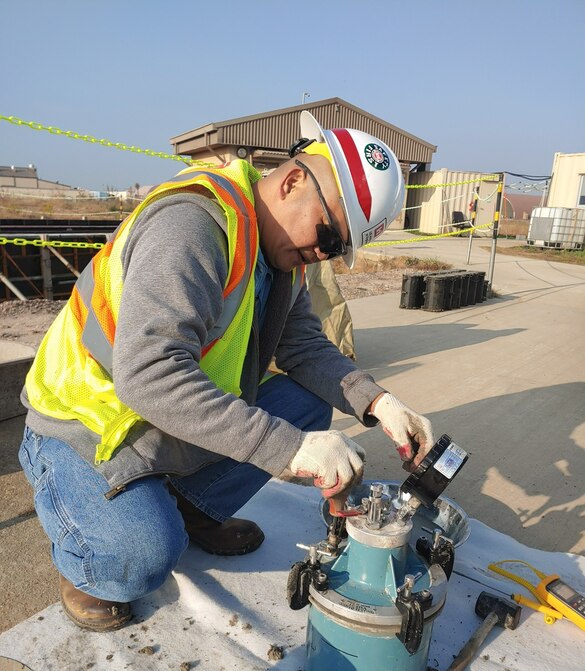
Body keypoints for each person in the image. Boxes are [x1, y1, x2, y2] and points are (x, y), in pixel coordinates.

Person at [19, 112, 434, 632]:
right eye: (328, 236)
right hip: (86, 427)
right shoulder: (192, 227)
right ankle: (89, 563)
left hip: (160, 419)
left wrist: (378, 403)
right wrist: (289, 450)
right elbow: (148, 373)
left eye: (336, 250)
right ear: (291, 181)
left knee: (305, 406)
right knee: (143, 556)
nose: (323, 253)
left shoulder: (279, 256)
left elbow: (303, 346)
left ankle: (193, 506)